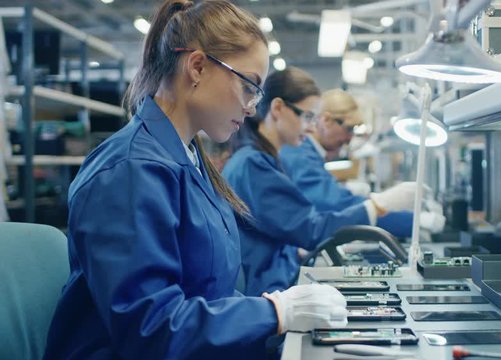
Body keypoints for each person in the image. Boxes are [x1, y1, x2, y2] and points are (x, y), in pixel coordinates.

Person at [43, 2, 347, 359]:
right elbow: (151, 329)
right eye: (249, 86)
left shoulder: (188, 159)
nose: (251, 107)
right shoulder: (130, 172)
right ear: (198, 66)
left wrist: (270, 316)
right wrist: (274, 313)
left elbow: (209, 291)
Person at [222, 67, 417, 296]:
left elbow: (282, 228)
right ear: (278, 108)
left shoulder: (261, 160)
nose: (313, 127)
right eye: (307, 117)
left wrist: (295, 251)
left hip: (273, 282)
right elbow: (311, 229)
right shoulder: (252, 166)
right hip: (265, 295)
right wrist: (377, 207)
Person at [279, 88, 446, 238]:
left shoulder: (308, 154)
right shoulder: (300, 155)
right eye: (349, 128)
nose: (350, 138)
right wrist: (415, 220)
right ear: (326, 120)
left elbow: (338, 201)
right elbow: (336, 206)